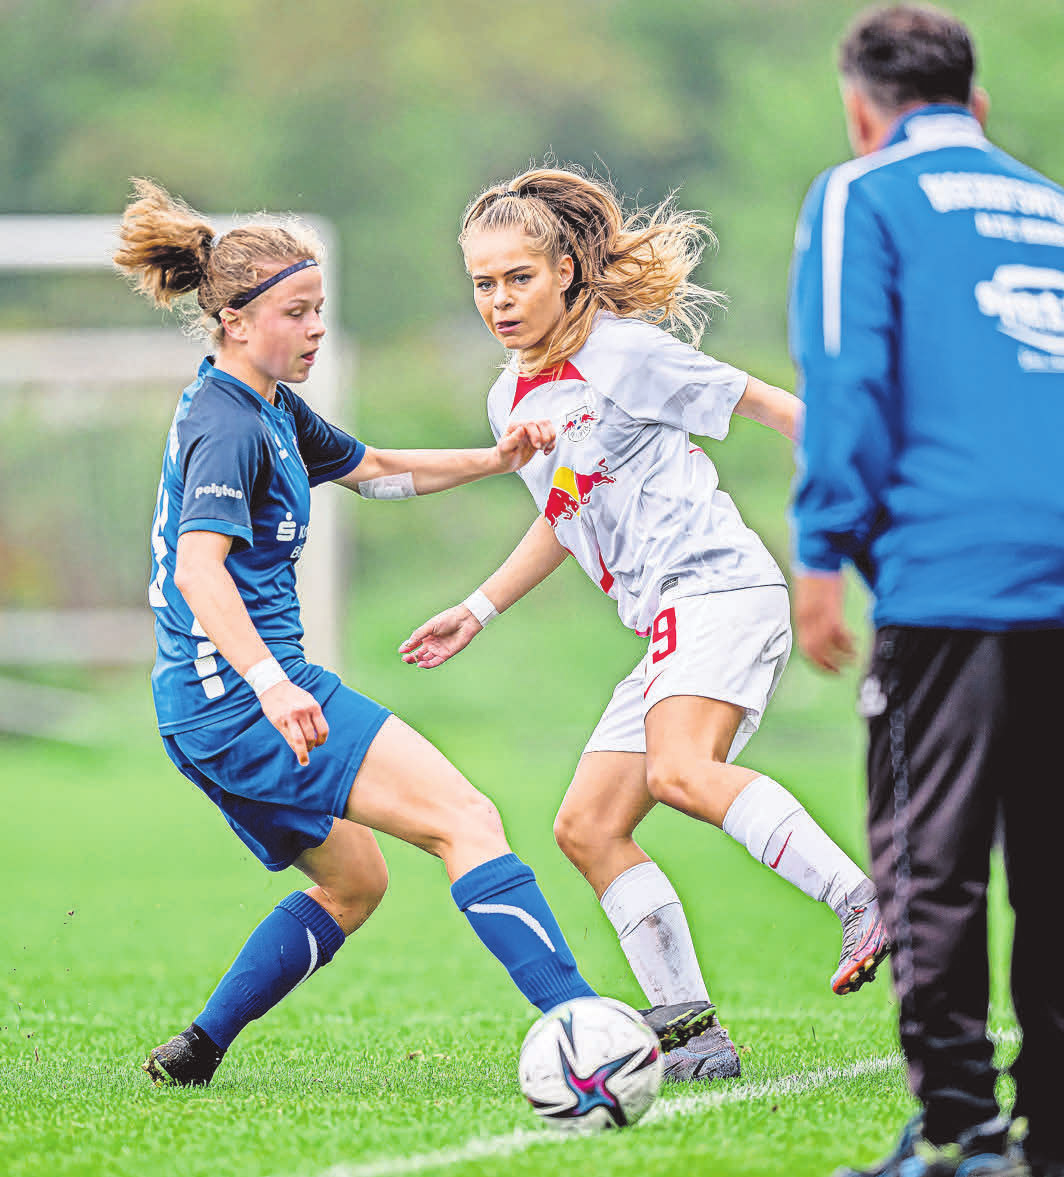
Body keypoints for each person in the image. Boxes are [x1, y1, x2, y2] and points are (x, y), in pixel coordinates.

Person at [113, 179, 714, 1088]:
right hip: (245, 700)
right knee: (466, 818)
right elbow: (200, 571)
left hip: (199, 713)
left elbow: (379, 469)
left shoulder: (269, 405)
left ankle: (198, 1047)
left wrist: (499, 456)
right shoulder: (227, 423)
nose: (316, 329)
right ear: (235, 320)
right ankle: (582, 1025)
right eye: (296, 312)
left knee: (356, 883)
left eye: (320, 309)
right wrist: (275, 684)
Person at [398, 165, 890, 1085]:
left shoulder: (625, 353)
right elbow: (566, 507)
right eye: (483, 282)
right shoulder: (511, 399)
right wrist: (477, 606)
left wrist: (861, 486)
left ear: (569, 272)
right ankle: (694, 1030)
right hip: (667, 619)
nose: (499, 300)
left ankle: (862, 896)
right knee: (587, 824)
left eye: (520, 278)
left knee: (679, 769)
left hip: (720, 590)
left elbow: (772, 406)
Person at [789, 6, 1064, 1176]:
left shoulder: (861, 193)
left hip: (949, 576)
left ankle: (958, 1128)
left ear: (862, 109)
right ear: (979, 104)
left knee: (931, 861)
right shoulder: (1049, 205)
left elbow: (845, 373)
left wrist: (817, 551)